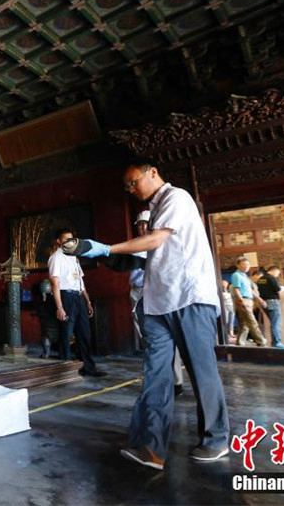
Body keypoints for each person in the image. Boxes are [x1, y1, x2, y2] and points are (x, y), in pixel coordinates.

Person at [64, 161, 229, 470]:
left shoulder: (176, 198)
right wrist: (92, 250)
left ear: (152, 172)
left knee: (201, 371)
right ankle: (150, 447)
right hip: (157, 303)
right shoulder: (153, 213)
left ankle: (216, 438)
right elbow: (138, 258)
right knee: (156, 375)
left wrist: (108, 248)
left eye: (133, 181)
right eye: (126, 187)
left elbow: (154, 241)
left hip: (189, 298)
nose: (131, 189)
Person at [129, 211, 184, 397]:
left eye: (146, 223)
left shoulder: (164, 242)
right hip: (139, 294)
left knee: (168, 338)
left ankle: (175, 381)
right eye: (140, 224)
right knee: (149, 341)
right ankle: (156, 381)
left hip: (161, 294)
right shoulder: (136, 246)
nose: (142, 227)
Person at [48, 228, 104, 377]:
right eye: (65, 239)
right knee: (66, 333)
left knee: (84, 333)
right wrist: (59, 307)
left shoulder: (74, 257)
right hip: (66, 296)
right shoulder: (56, 257)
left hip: (78, 297)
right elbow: (55, 283)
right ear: (59, 241)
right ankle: (65, 369)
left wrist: (87, 301)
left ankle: (88, 367)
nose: (69, 242)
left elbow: (80, 281)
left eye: (71, 240)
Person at [229, 257, 266, 347]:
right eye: (243, 264)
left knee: (244, 324)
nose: (246, 267)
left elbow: (251, 290)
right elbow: (236, 288)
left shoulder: (245, 276)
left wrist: (259, 299)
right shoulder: (236, 275)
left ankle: (240, 342)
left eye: (248, 265)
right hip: (243, 300)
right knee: (252, 321)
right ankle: (261, 341)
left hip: (249, 300)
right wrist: (240, 300)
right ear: (238, 265)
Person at [256, 265, 284, 348]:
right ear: (275, 270)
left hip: (264, 302)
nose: (277, 275)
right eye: (278, 273)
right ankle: (277, 342)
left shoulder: (260, 279)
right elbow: (278, 289)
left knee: (273, 322)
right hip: (273, 301)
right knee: (276, 323)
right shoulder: (271, 278)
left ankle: (275, 342)